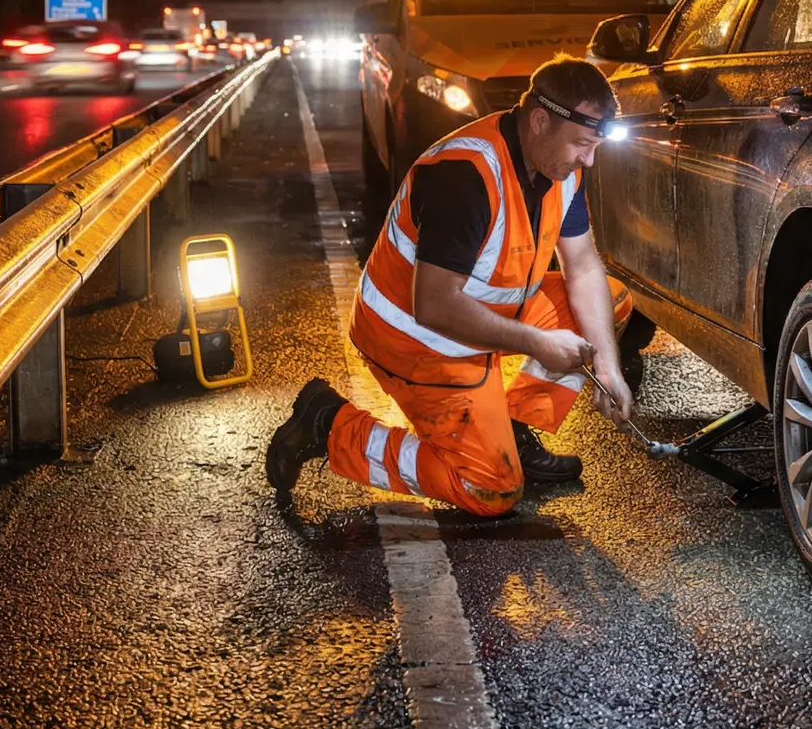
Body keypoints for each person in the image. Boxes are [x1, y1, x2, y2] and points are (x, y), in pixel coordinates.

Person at [267, 54, 635, 516]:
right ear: (540, 121)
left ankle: (513, 431)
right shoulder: (466, 174)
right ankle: (329, 424)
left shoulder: (562, 168)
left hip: (479, 318)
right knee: (490, 490)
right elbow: (435, 305)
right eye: (583, 144)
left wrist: (608, 368)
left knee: (610, 302)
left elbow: (581, 266)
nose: (590, 160)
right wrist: (538, 342)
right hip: (418, 340)